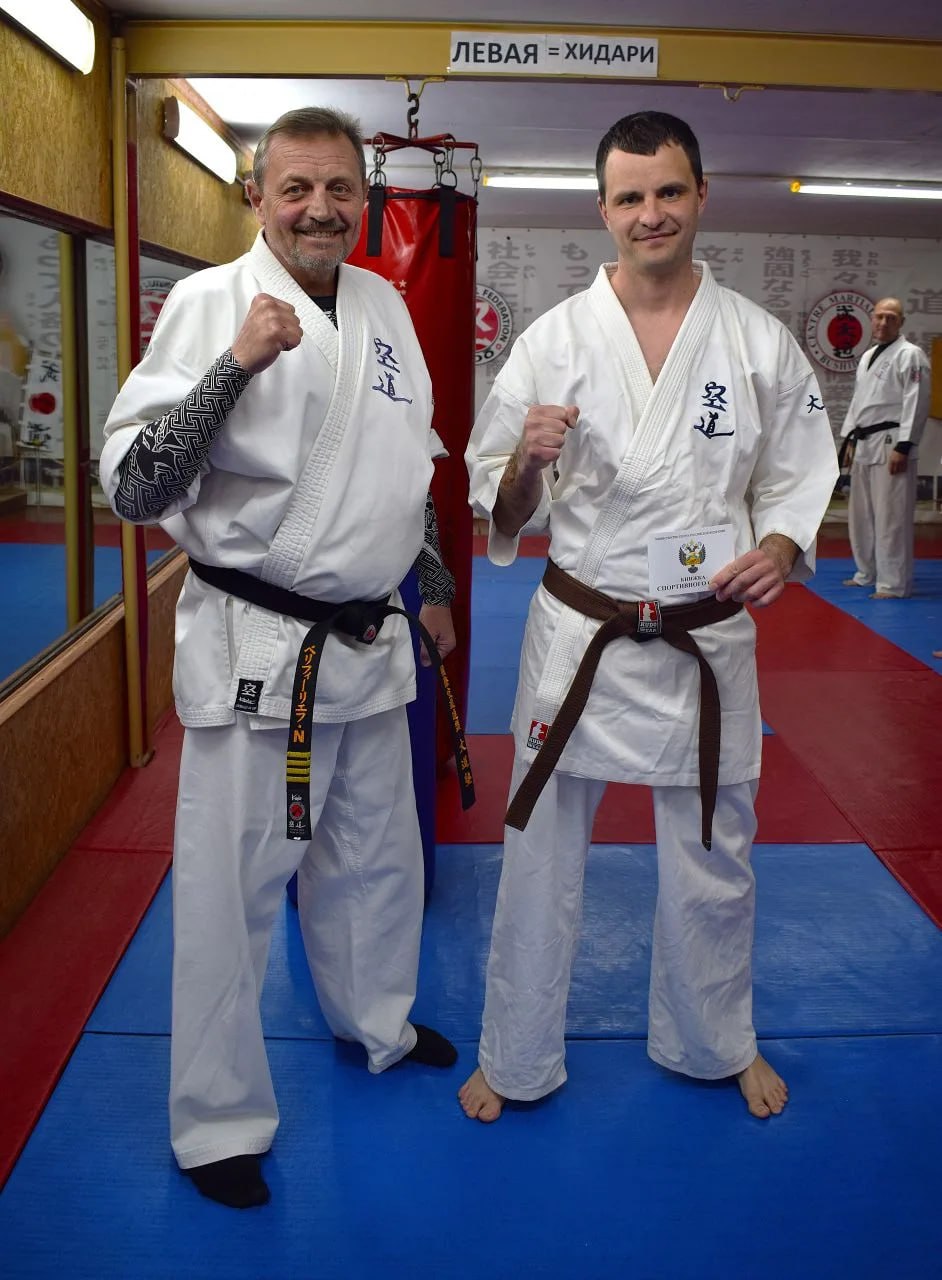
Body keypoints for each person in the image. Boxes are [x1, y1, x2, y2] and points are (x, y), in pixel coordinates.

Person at [99, 108, 460, 1209]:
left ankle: (376, 1022)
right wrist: (235, 366)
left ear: (367, 200)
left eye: (340, 188)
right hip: (260, 646)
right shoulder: (212, 303)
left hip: (372, 639)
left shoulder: (386, 304)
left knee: (377, 862)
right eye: (296, 188)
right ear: (257, 196)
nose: (319, 209)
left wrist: (433, 585)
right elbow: (136, 487)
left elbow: (411, 467)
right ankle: (216, 1120)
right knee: (233, 894)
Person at [459, 111, 838, 1126]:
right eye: (630, 197)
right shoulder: (553, 342)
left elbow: (800, 476)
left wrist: (782, 549)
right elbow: (499, 504)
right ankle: (516, 1053)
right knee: (537, 850)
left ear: (702, 194)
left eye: (669, 191)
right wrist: (526, 461)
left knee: (716, 852)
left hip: (704, 635)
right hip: (579, 632)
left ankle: (715, 1040)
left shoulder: (756, 341)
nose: (651, 213)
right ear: (604, 210)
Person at [839, 297, 931, 598]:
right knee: (862, 515)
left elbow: (917, 402)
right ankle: (866, 572)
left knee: (891, 517)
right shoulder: (868, 356)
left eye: (891, 317)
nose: (883, 322)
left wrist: (905, 445)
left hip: (892, 442)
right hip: (864, 441)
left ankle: (893, 583)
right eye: (879, 316)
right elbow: (858, 401)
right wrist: (849, 438)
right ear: (872, 319)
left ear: (901, 322)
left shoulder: (911, 355)